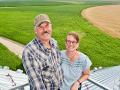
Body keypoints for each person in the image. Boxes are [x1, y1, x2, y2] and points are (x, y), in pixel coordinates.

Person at [22, 14, 63, 90]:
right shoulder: (29, 51)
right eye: (41, 27)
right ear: (35, 31)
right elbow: (38, 86)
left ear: (51, 27)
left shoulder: (54, 42)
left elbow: (58, 66)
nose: (45, 30)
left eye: (47, 25)